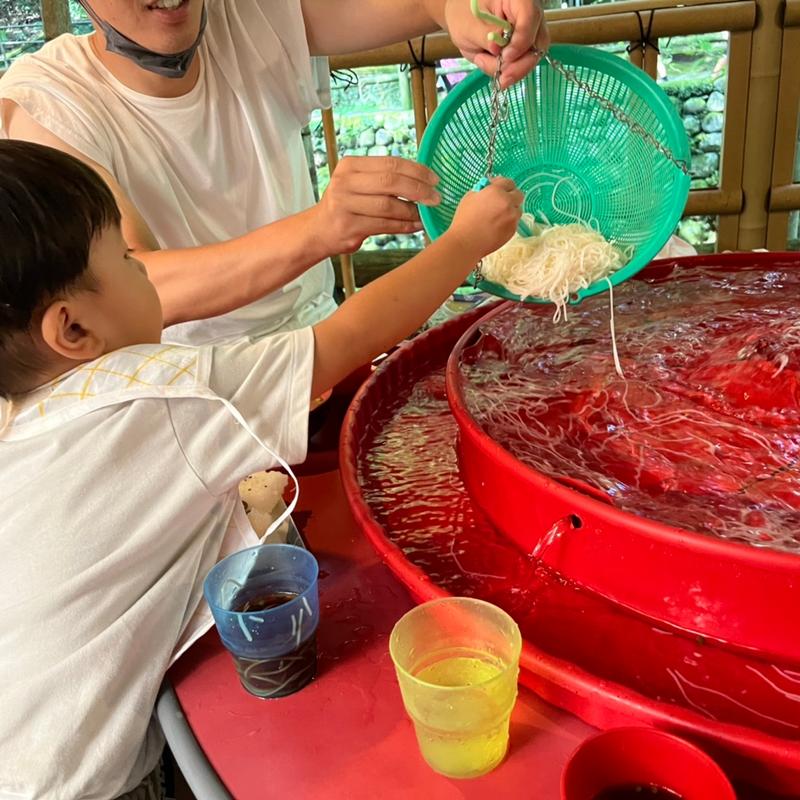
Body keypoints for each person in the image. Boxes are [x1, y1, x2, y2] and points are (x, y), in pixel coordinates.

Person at [0, 140, 522, 800]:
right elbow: (348, 339)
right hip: (82, 781)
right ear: (72, 331)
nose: (147, 271)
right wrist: (467, 240)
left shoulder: (17, 418)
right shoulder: (156, 396)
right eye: (131, 260)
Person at [0, 0, 548, 346]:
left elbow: (431, 3)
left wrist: (468, 8)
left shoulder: (249, 12)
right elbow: (137, 284)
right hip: (193, 389)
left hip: (325, 339)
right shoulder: (48, 104)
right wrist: (320, 228)